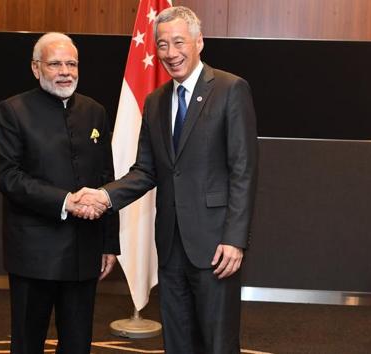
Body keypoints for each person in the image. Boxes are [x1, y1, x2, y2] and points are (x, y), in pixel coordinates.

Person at [72, 6, 258, 354]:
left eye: (178, 42)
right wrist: (104, 196)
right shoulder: (155, 101)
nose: (170, 53)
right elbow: (147, 170)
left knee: (217, 342)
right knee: (177, 340)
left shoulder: (231, 90)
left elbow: (243, 169)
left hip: (216, 245)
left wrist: (235, 239)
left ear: (199, 41)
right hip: (171, 246)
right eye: (162, 45)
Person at [0, 32, 119, 354]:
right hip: (33, 254)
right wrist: (65, 201)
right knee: (27, 343)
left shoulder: (95, 112)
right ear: (36, 68)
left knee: (78, 344)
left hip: (84, 253)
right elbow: (8, 176)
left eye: (71, 63)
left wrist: (109, 244)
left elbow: (107, 178)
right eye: (55, 63)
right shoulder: (12, 111)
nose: (65, 71)